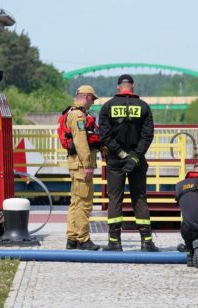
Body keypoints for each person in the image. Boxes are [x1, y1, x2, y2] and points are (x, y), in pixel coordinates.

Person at [98, 74, 159, 252]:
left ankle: (114, 242)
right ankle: (147, 242)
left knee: (115, 199)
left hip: (115, 160)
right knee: (139, 198)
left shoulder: (107, 107)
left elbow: (105, 136)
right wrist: (133, 157)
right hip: (137, 161)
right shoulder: (144, 107)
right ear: (133, 86)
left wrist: (121, 154)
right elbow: (147, 136)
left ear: (118, 87)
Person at [65, 85, 100, 250]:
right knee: (84, 203)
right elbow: (81, 142)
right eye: (92, 99)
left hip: (75, 163)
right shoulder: (79, 115)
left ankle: (72, 238)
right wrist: (87, 165)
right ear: (86, 96)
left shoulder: (73, 113)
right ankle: (83, 239)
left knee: (76, 201)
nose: (92, 102)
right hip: (81, 165)